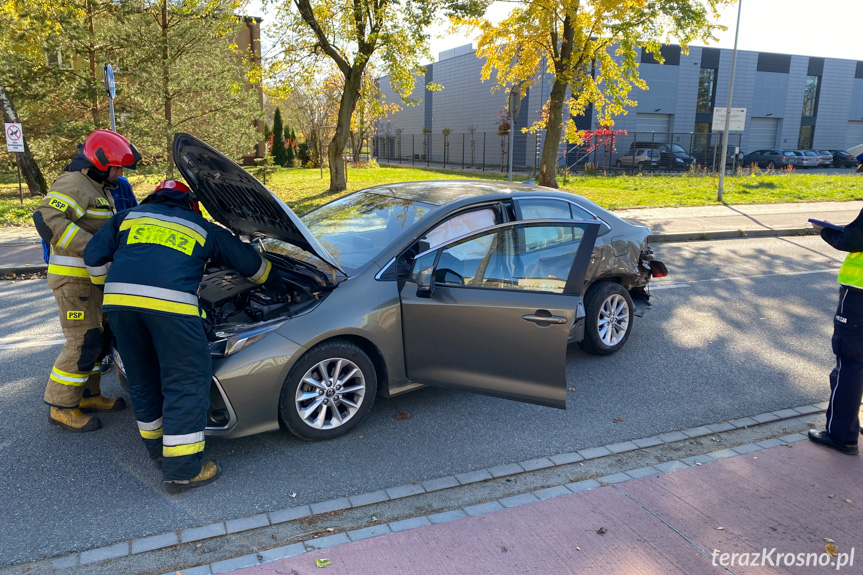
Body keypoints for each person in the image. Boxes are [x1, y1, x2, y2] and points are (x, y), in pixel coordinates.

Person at [83, 180, 285, 492]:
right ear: (190, 203)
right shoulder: (201, 227)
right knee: (186, 383)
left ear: (155, 198)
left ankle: (160, 453)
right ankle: (184, 471)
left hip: (121, 309)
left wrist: (108, 288)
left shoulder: (128, 217)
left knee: (144, 380)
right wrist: (280, 285)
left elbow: (93, 256)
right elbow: (253, 267)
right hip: (172, 313)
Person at [33, 129, 141, 432]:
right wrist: (95, 248)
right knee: (83, 341)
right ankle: (62, 405)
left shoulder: (97, 185)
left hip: (91, 281)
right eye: (117, 167)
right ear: (99, 162)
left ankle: (89, 395)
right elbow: (46, 219)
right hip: (73, 281)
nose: (120, 173)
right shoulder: (73, 183)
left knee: (100, 339)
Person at [809, 145, 863, 455]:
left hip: (859, 293)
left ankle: (841, 433)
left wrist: (825, 231)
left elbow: (854, 239)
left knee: (850, 360)